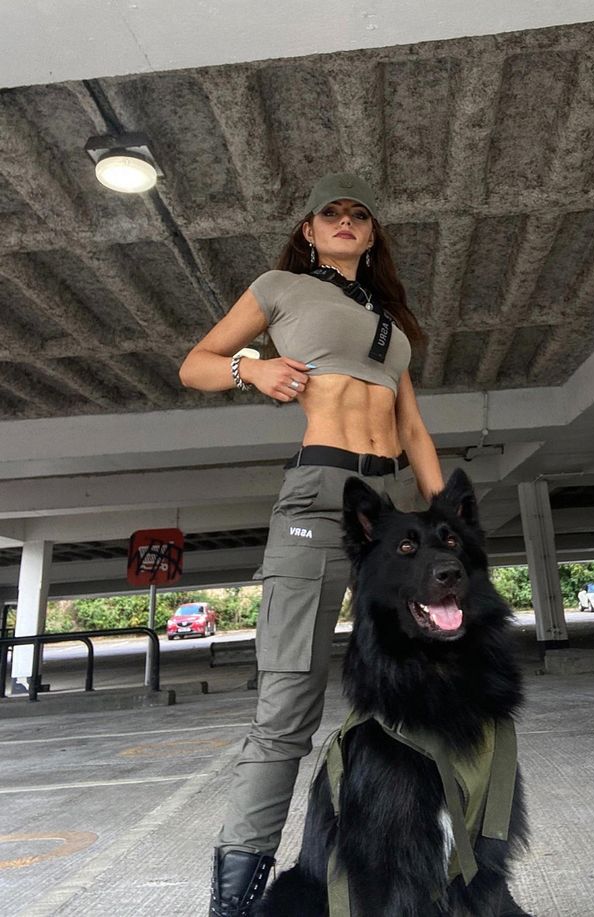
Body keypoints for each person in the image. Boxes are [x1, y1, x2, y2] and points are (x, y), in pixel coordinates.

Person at [179, 172, 443, 917]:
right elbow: (194, 362)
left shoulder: (389, 321)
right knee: (288, 701)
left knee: (411, 692)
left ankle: (407, 869)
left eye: (360, 214)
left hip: (390, 509)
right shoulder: (281, 288)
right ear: (309, 228)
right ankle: (235, 902)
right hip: (318, 498)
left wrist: (450, 517)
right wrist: (250, 368)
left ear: (372, 233)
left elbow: (414, 428)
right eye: (333, 213)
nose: (347, 222)